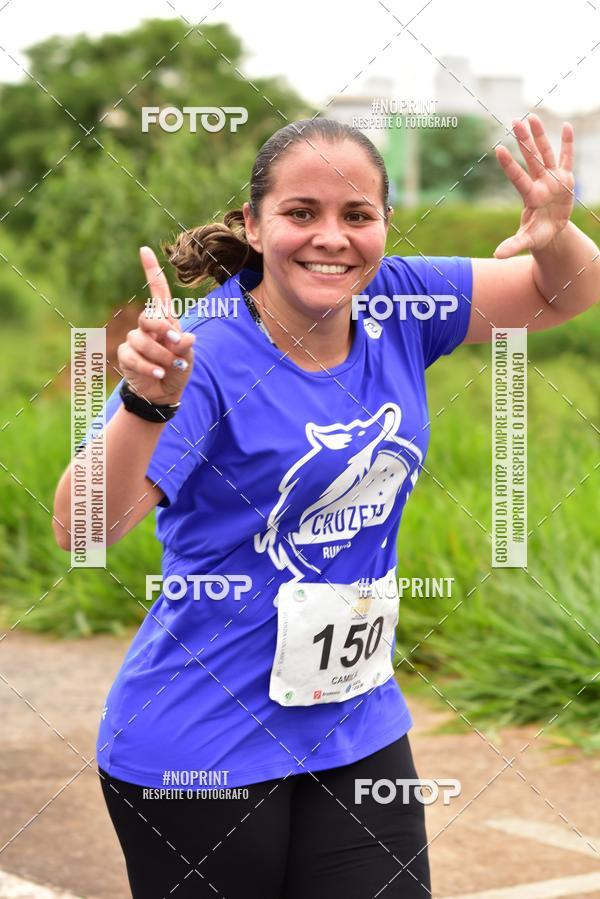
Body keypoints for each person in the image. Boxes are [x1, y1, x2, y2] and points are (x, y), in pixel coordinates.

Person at [52, 115, 598, 898]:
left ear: (384, 225)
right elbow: (82, 530)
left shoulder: (399, 301)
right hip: (202, 747)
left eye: (357, 215)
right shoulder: (202, 354)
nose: (331, 238)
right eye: (300, 213)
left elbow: (568, 291)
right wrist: (145, 401)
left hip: (357, 725)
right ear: (253, 224)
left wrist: (555, 232)